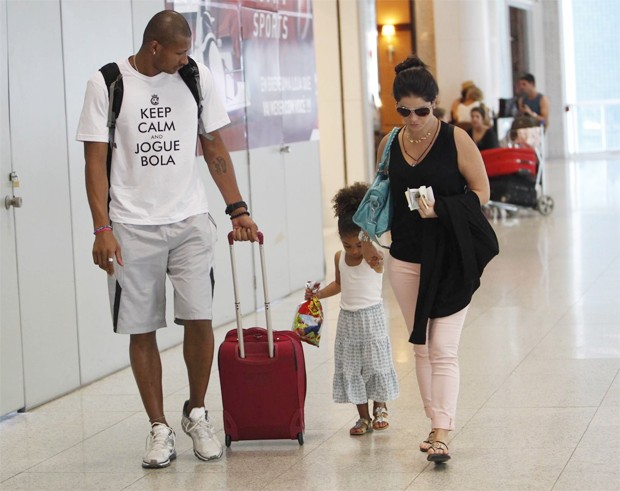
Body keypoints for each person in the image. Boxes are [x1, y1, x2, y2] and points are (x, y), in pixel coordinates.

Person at [76, 10, 258, 469]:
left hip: (190, 219)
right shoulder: (108, 83)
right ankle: (158, 427)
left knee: (199, 317)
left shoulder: (195, 77)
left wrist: (237, 207)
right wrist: (102, 229)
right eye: (179, 51)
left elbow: (213, 146)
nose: (186, 59)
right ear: (155, 46)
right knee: (142, 328)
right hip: (131, 225)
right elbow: (94, 163)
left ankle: (197, 412)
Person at [363, 56, 498, 463]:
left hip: (453, 254)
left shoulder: (456, 139)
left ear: (435, 104)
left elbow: (482, 192)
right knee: (421, 345)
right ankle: (433, 423)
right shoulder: (391, 142)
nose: (414, 119)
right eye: (404, 111)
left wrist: (442, 208)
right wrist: (368, 236)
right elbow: (381, 192)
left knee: (443, 347)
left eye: (422, 110)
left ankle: (442, 432)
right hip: (405, 256)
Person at [306, 182, 399, 436]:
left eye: (358, 244)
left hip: (372, 318)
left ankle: (381, 408)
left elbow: (379, 267)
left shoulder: (374, 257)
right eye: (348, 246)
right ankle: (363, 417)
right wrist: (318, 295)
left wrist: (370, 247)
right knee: (353, 366)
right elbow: (339, 284)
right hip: (348, 320)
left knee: (376, 364)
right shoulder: (339, 258)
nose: (354, 251)